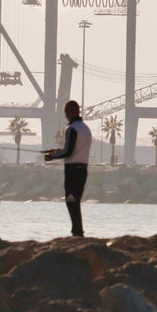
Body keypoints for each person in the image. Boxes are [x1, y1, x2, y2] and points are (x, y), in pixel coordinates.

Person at [43, 100, 93, 237]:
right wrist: (58, 150)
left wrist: (52, 156)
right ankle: (78, 231)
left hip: (72, 170)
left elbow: (68, 152)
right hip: (83, 169)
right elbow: (75, 149)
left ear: (72, 111)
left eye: (66, 112)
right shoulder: (86, 129)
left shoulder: (71, 128)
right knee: (75, 200)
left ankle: (77, 232)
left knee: (71, 200)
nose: (65, 115)